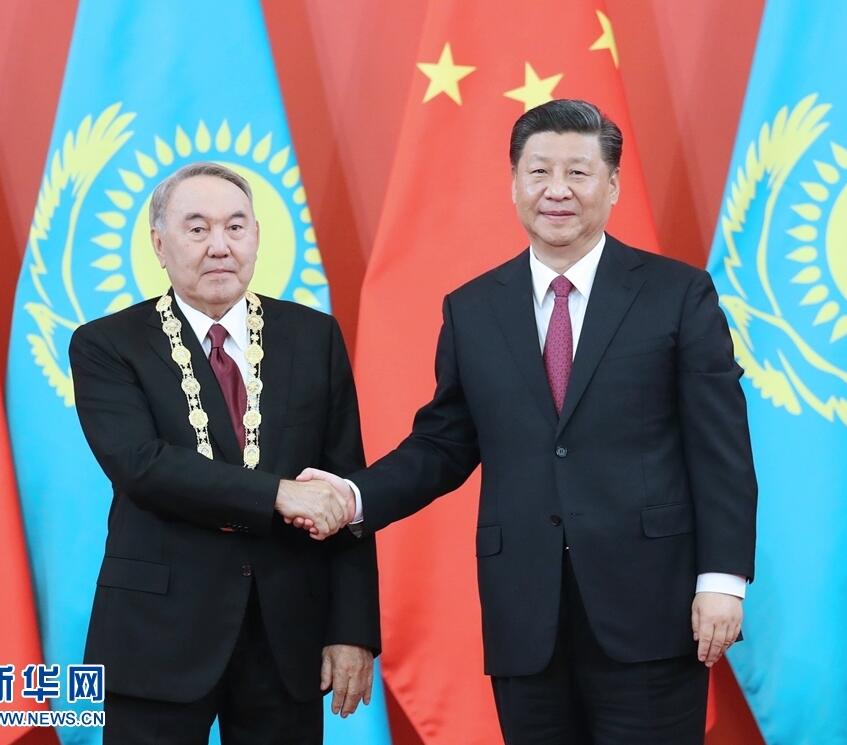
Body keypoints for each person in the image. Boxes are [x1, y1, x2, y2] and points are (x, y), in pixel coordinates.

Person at [297, 99, 757, 744]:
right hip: (525, 616)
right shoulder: (472, 309)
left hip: (654, 609)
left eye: (578, 172)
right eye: (539, 172)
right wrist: (353, 496)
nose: (557, 190)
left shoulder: (678, 294)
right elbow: (443, 444)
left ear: (612, 185)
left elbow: (722, 450)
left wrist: (723, 581)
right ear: (514, 184)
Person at [69, 162, 380, 744]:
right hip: (157, 635)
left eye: (236, 227)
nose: (220, 246)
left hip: (285, 636)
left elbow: (345, 487)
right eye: (197, 229)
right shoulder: (107, 344)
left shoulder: (313, 337)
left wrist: (352, 629)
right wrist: (279, 494)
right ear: (159, 244)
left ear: (257, 237)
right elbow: (143, 466)